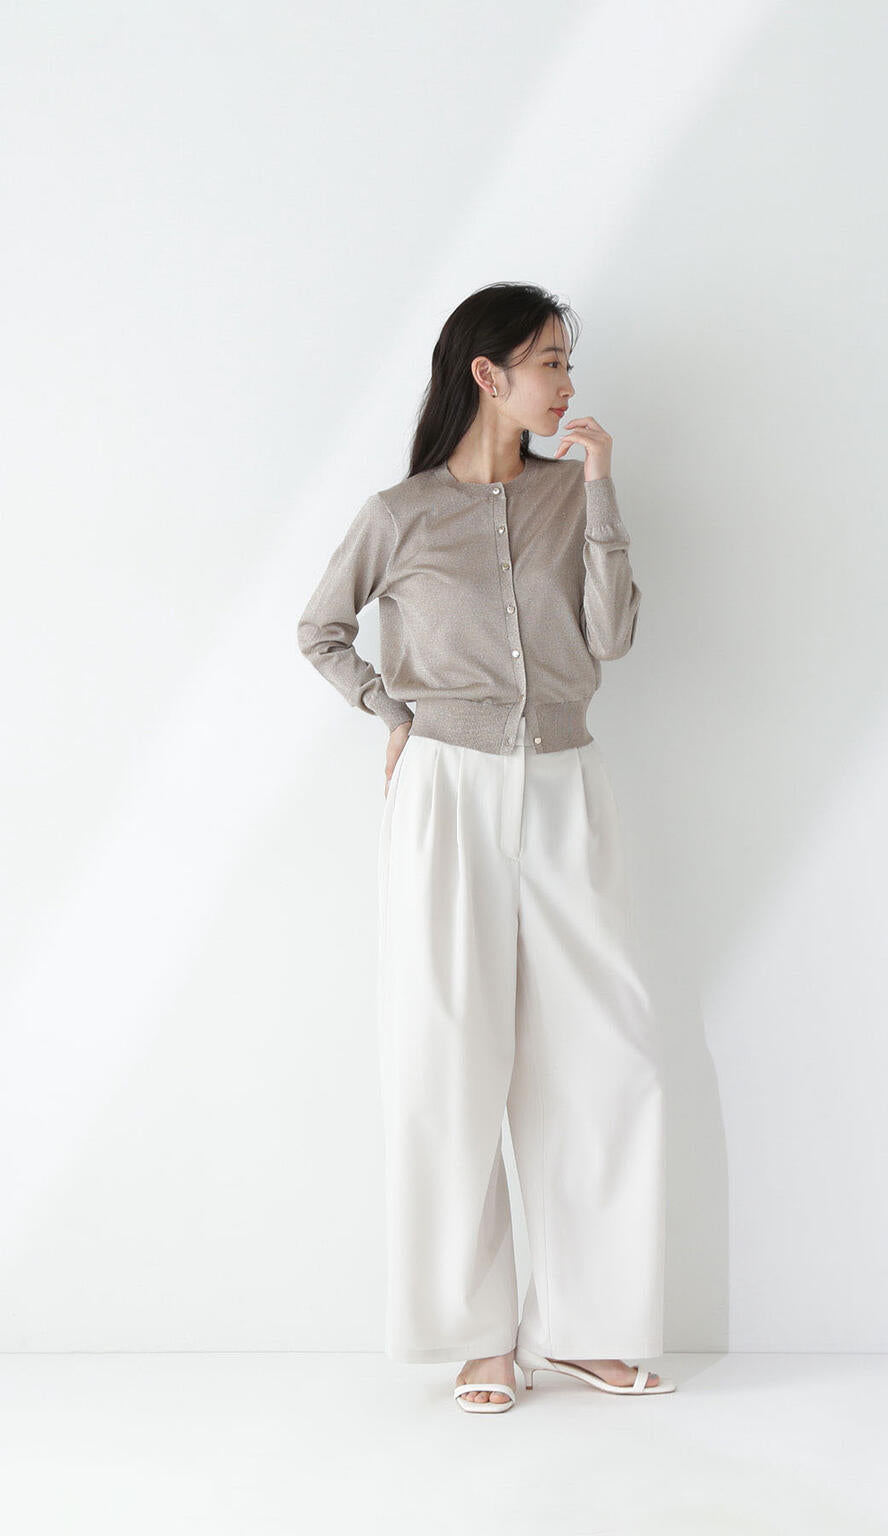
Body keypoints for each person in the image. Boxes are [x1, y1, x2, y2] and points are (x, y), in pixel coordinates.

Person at [297, 282, 673, 1414]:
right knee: (448, 1052)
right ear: (488, 374)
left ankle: (589, 1328)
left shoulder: (571, 494)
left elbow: (611, 635)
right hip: (445, 791)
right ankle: (477, 1337)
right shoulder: (399, 515)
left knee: (604, 1055)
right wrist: (392, 712)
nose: (567, 382)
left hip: (563, 782)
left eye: (565, 361)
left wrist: (599, 487)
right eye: (550, 362)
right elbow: (320, 628)